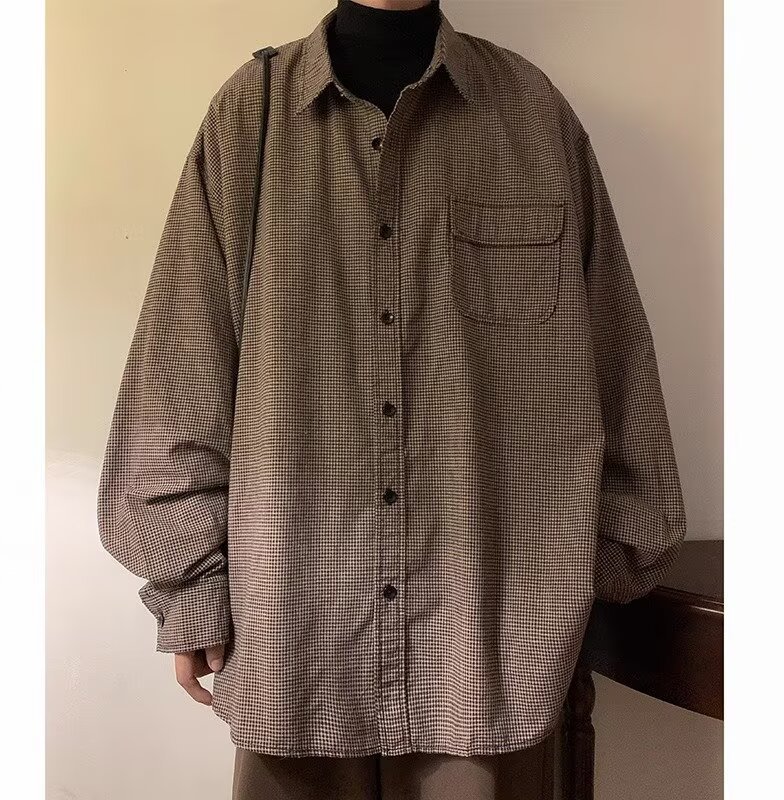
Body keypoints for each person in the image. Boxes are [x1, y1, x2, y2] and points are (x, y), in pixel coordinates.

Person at [97, 1, 687, 798]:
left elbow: (617, 363)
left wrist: (573, 589)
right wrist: (191, 585)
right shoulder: (250, 118)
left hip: (494, 657)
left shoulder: (531, 116)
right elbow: (180, 370)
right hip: (295, 644)